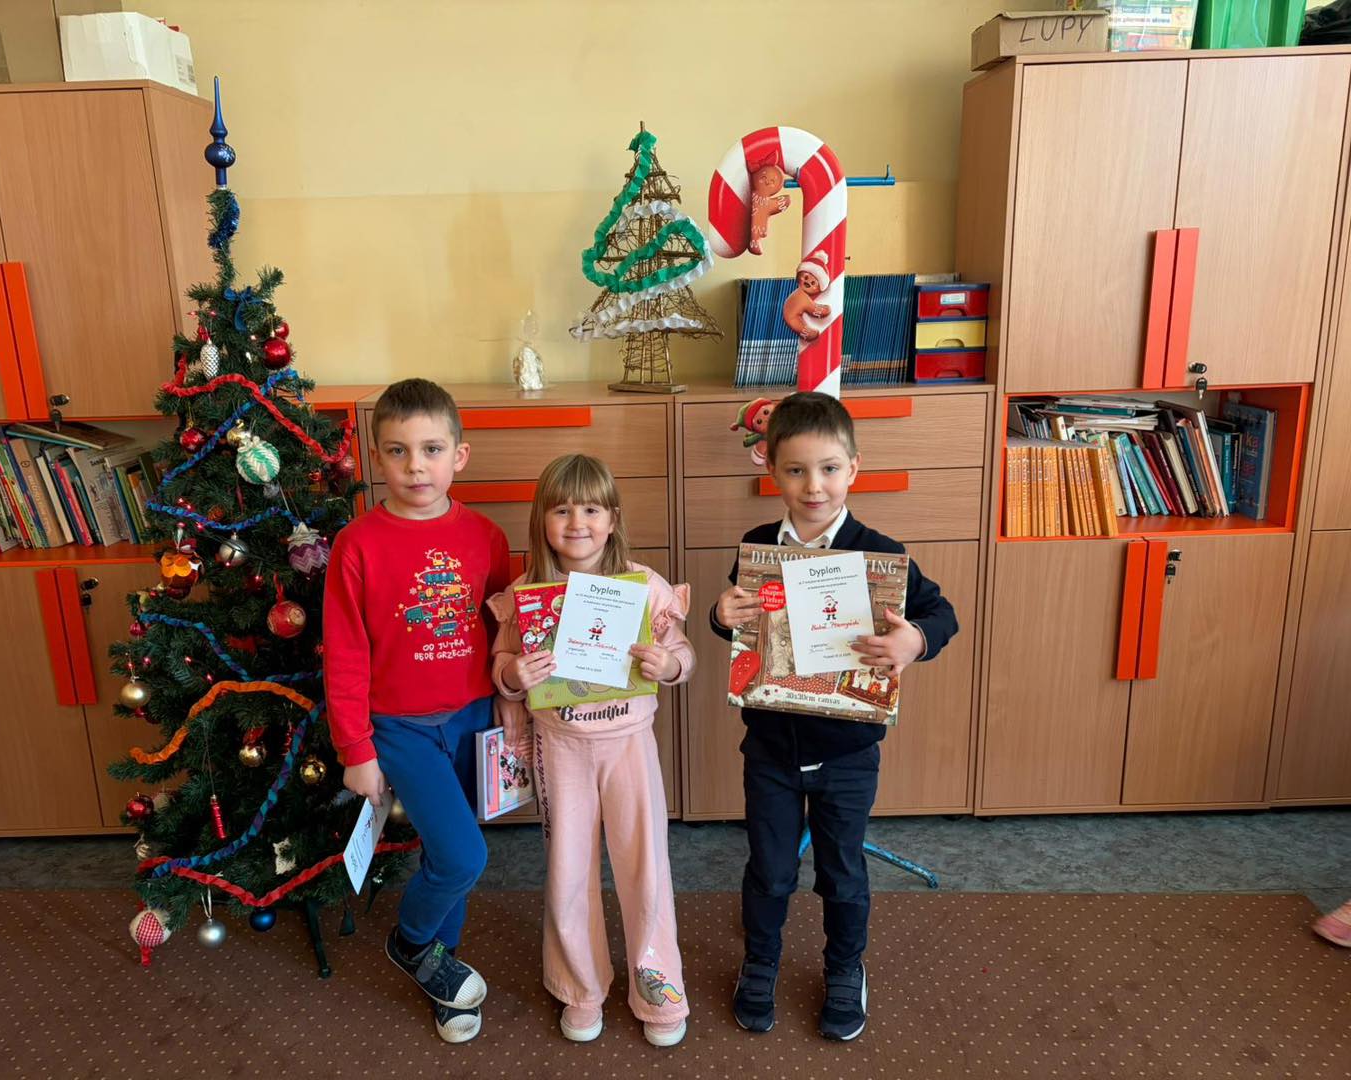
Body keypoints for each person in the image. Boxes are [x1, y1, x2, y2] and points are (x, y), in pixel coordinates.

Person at [712, 391, 959, 1041]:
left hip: (847, 753)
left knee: (842, 870)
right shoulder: (757, 547)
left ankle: (845, 967)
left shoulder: (880, 554)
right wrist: (719, 615)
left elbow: (942, 615)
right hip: (770, 748)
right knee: (769, 868)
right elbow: (740, 628)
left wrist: (913, 641)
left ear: (853, 468)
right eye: (795, 470)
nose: (813, 486)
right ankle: (761, 962)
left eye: (827, 469)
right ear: (772, 470)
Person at [323, 378, 510, 1044]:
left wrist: (510, 711)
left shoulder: (486, 536)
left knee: (444, 852)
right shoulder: (358, 544)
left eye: (431, 449)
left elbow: (507, 631)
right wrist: (357, 750)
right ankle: (409, 943)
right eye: (398, 451)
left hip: (472, 719)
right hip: (399, 729)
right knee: (462, 858)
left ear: (459, 455)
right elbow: (345, 652)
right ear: (377, 457)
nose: (415, 466)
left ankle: (441, 972)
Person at [490, 453, 695, 1047]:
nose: (576, 523)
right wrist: (513, 675)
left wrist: (669, 663)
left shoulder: (643, 586)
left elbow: (683, 653)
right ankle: (580, 987)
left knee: (645, 871)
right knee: (568, 873)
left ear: (612, 519)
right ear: (542, 519)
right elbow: (500, 664)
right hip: (560, 750)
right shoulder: (526, 593)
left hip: (628, 746)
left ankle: (658, 990)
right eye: (561, 510)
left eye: (590, 510)